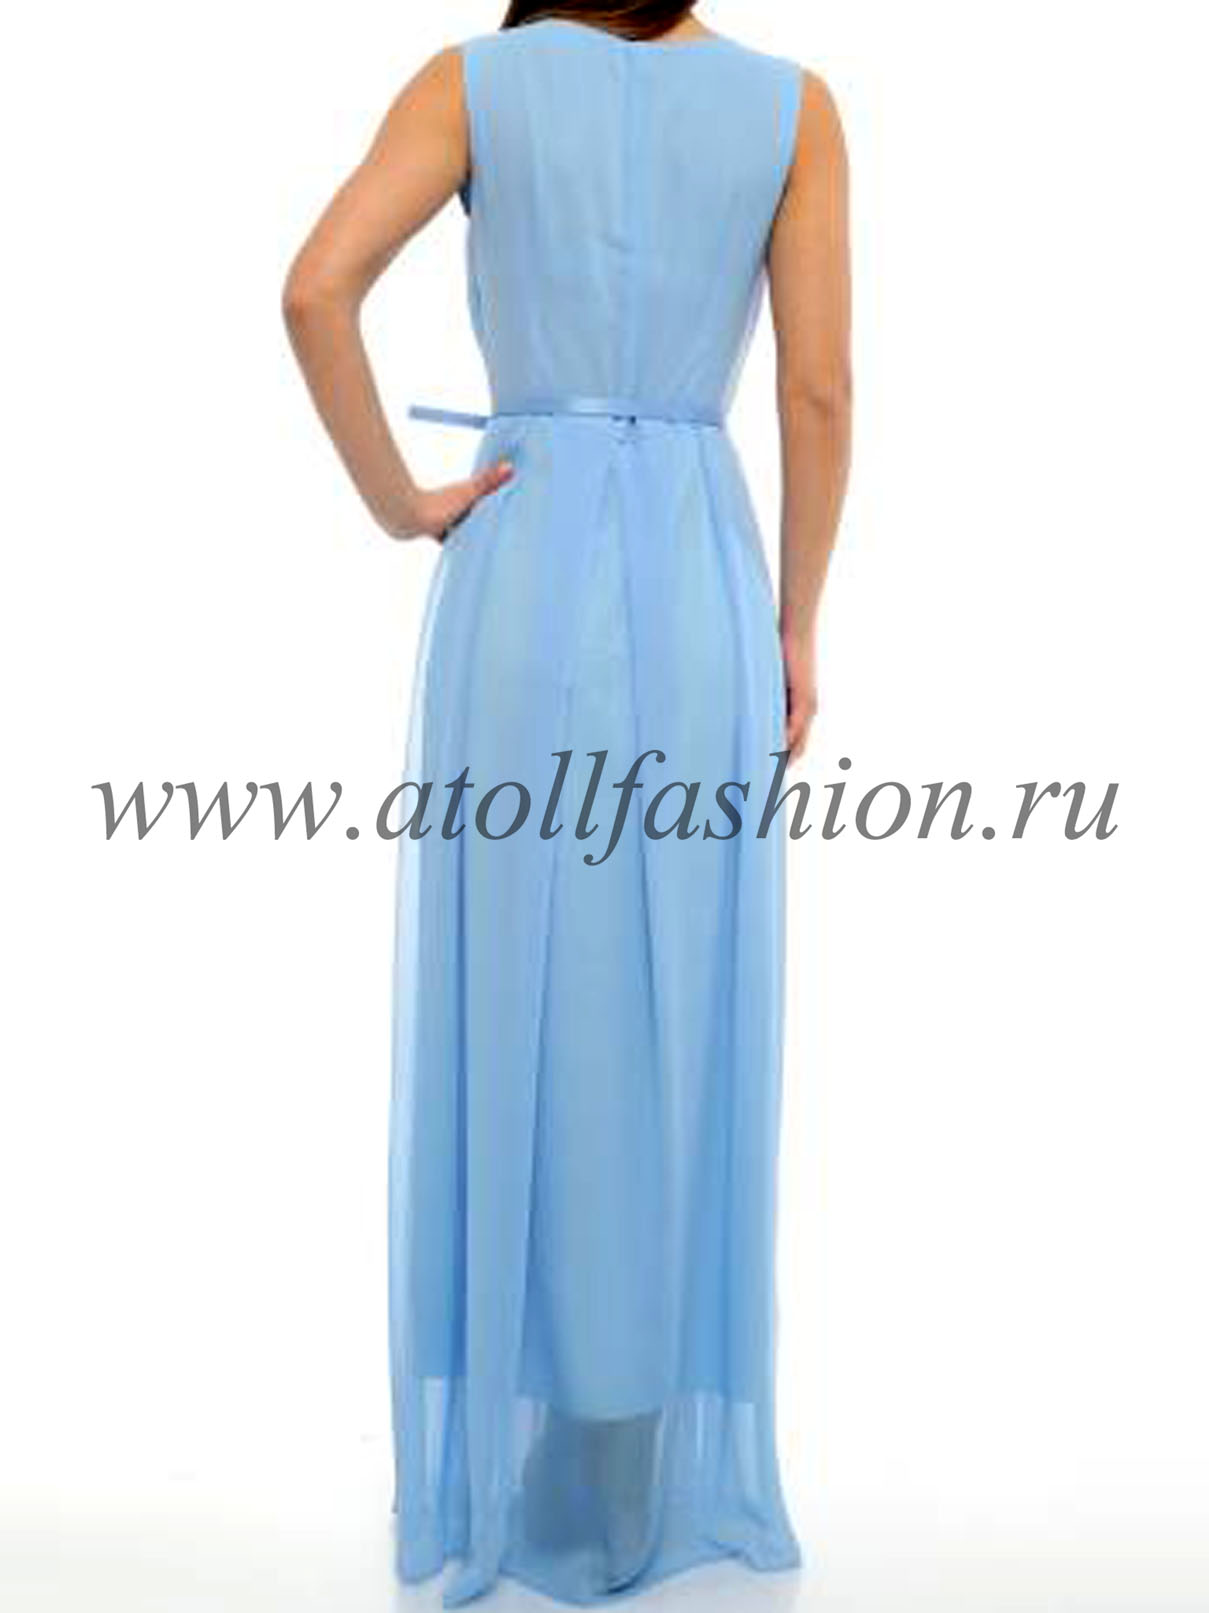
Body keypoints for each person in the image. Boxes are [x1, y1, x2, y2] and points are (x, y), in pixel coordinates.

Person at [282, 2, 851, 1604]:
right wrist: (796, 622)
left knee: (522, 996)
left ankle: (525, 1426)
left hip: (519, 575)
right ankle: (634, 1434)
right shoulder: (791, 107)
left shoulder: (471, 82)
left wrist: (403, 504)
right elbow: (816, 393)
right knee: (667, 1008)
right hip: (696, 577)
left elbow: (315, 290)